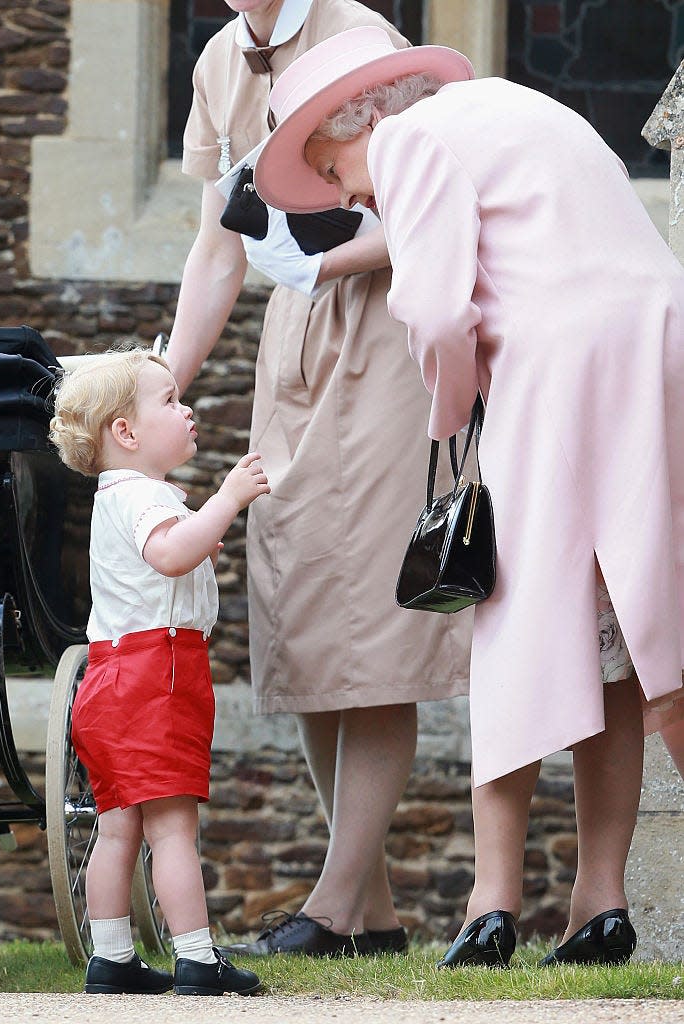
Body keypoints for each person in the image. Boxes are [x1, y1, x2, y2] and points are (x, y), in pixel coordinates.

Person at [253, 25, 684, 966]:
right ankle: (599, 906)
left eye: (329, 170)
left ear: (350, 122)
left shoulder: (410, 139)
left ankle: (491, 906)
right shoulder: (520, 107)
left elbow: (439, 307)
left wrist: (454, 414)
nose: (342, 194)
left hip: (559, 371)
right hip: (658, 348)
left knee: (518, 618)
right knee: (621, 632)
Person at [166, 0, 472, 956]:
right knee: (306, 626)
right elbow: (220, 245)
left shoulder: (362, 37)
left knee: (371, 627)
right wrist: (151, 385)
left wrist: (324, 260)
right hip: (292, 350)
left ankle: (333, 909)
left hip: (383, 331)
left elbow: (435, 204)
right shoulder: (221, 59)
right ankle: (371, 916)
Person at [49, 349, 269, 994]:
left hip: (110, 676)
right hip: (157, 675)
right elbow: (171, 555)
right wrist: (226, 500)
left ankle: (111, 957)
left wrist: (200, 522)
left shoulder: (117, 495)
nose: (188, 408)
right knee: (173, 825)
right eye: (170, 400)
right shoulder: (143, 494)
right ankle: (198, 957)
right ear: (126, 431)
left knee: (118, 827)